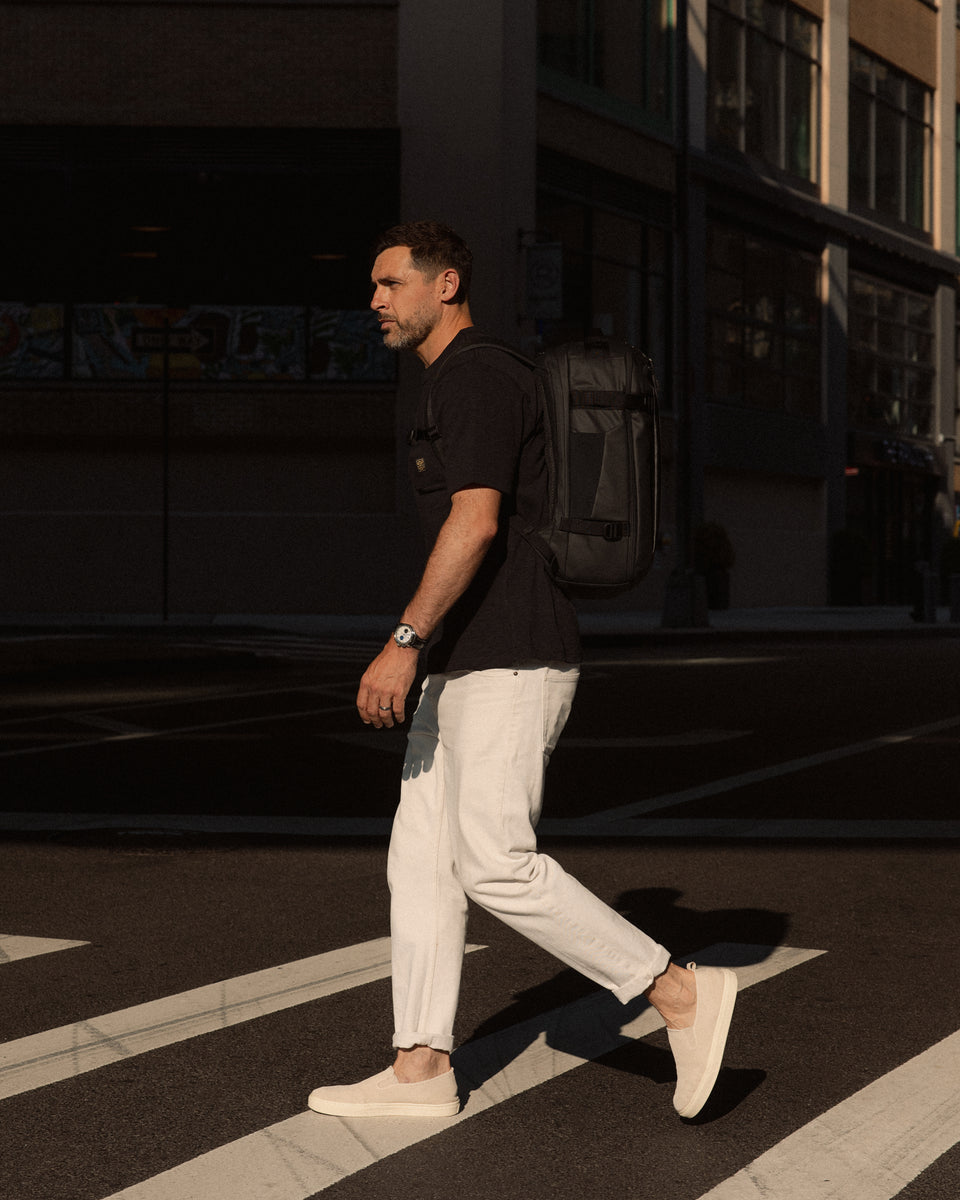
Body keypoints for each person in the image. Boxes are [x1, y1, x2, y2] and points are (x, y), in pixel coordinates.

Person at [307, 220, 736, 1122]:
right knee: (421, 858)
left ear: (446, 284)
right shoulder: (457, 382)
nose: (375, 301)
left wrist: (404, 639)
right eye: (375, 287)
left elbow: (476, 522)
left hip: (509, 655)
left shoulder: (478, 378)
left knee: (496, 860)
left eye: (391, 283)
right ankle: (420, 1069)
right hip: (466, 664)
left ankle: (676, 993)